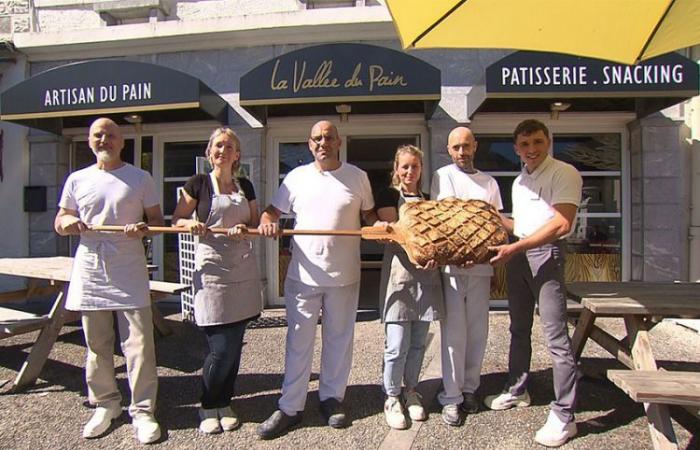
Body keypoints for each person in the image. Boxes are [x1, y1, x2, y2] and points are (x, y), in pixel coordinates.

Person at [256, 120, 380, 439]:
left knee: (339, 341)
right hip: (304, 276)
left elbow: (369, 216)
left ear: (338, 142)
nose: (322, 142)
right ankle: (290, 407)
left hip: (345, 276)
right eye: (316, 139)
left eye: (328, 137)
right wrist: (268, 222)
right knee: (299, 342)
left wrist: (383, 227)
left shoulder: (358, 177)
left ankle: (331, 399)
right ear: (310, 145)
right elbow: (270, 212)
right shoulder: (296, 178)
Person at [54, 117, 164, 444]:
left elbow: (157, 221)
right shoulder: (77, 179)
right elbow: (60, 220)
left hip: (129, 265)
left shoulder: (140, 178)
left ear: (121, 142)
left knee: (139, 345)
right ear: (90, 141)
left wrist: (144, 228)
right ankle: (105, 403)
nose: (104, 140)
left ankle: (143, 410)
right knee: (97, 344)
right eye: (98, 135)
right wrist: (70, 222)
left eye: (110, 135)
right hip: (91, 265)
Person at [486, 119, 582, 448]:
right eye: (525, 144)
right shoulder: (519, 181)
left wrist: (515, 247)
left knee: (556, 337)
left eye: (538, 142)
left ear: (548, 141)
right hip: (522, 254)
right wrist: (489, 214)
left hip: (545, 255)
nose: (532, 149)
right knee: (518, 328)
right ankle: (518, 389)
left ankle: (565, 416)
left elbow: (561, 222)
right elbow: (521, 224)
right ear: (516, 149)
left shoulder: (563, 172)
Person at [171, 127, 262, 434]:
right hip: (211, 271)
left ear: (237, 154)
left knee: (235, 345)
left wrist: (244, 229)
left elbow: (255, 220)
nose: (223, 150)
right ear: (210, 152)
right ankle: (209, 404)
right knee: (220, 347)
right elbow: (175, 220)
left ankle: (226, 402)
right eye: (218, 146)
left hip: (242, 269)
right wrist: (191, 223)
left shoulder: (245, 186)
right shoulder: (197, 184)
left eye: (229, 146)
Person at [430, 126, 504, 427]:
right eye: (456, 147)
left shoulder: (489, 182)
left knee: (477, 332)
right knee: (454, 333)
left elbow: (494, 223)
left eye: (467, 146)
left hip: (481, 267)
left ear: (476, 146)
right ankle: (451, 396)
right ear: (449, 149)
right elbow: (447, 219)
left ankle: (470, 388)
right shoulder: (442, 176)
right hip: (452, 268)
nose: (462, 152)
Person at [375, 145, 443, 430]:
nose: (410, 172)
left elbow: (438, 236)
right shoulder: (389, 196)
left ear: (421, 169)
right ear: (396, 169)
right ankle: (391, 395)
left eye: (415, 166)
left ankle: (411, 390)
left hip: (426, 277)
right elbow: (397, 234)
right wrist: (423, 247)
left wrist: (435, 256)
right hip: (400, 275)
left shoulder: (430, 199)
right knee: (397, 344)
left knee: (418, 342)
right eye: (405, 166)